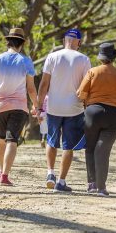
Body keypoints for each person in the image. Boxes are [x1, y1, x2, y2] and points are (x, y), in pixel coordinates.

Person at [38, 28, 91, 193]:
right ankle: (61, 182)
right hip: (74, 108)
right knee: (68, 146)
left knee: (51, 141)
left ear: (64, 41)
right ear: (79, 42)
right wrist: (87, 106)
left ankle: (50, 174)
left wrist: (39, 106)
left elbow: (44, 84)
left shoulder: (52, 57)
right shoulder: (84, 59)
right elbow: (86, 87)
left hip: (53, 106)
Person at [0, 28, 39, 186]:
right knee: (12, 140)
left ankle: (2, 172)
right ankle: (4, 176)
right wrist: (37, 106)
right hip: (18, 107)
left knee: (1, 141)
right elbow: (31, 88)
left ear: (8, 42)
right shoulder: (26, 61)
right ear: (21, 44)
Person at [77, 43, 116, 197]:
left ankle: (92, 184)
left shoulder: (92, 72)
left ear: (100, 57)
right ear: (113, 58)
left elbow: (81, 95)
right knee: (103, 150)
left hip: (93, 113)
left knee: (90, 148)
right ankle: (102, 188)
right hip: (115, 114)